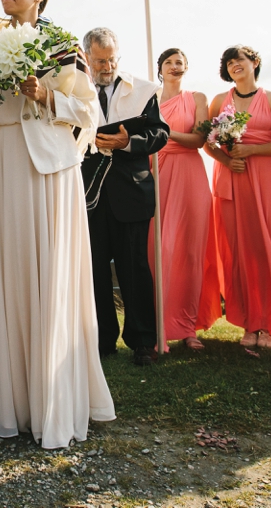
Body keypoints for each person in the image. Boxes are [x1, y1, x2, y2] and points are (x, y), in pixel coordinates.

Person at [0, 0, 115, 448]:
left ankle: (54, 397)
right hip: (6, 164)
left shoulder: (61, 45)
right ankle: (12, 397)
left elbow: (89, 111)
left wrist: (46, 96)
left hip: (50, 167)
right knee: (12, 270)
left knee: (51, 271)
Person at [81, 27, 170, 366]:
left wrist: (127, 143)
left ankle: (143, 341)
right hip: (88, 194)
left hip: (131, 190)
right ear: (87, 58)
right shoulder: (76, 89)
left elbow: (160, 132)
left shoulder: (144, 89)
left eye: (112, 59)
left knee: (135, 269)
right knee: (94, 272)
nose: (107, 66)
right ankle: (102, 341)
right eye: (100, 60)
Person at [204, 45, 271, 350]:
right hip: (232, 176)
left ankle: (269, 325)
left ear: (255, 63)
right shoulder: (219, 101)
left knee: (268, 246)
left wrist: (252, 150)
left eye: (240, 60)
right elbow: (207, 142)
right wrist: (226, 159)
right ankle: (249, 322)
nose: (235, 66)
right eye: (230, 63)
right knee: (238, 249)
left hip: (267, 177)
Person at [150, 48, 219, 350]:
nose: (175, 66)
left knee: (190, 251)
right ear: (160, 69)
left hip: (190, 173)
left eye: (180, 62)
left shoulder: (198, 99)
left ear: (187, 68)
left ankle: (189, 327)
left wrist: (166, 133)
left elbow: (199, 140)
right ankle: (159, 327)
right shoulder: (148, 100)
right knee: (159, 250)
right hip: (157, 174)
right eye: (169, 63)